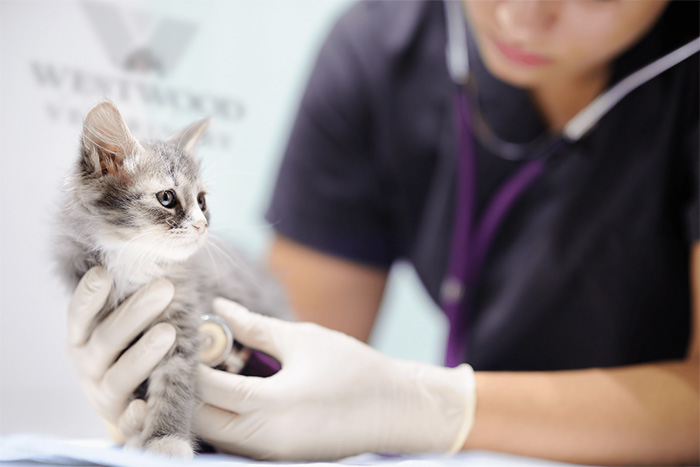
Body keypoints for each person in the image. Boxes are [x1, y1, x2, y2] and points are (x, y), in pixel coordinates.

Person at [65, 0, 699, 464]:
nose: (521, 18)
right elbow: (287, 358)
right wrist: (192, 383)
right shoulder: (377, 50)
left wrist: (423, 404)